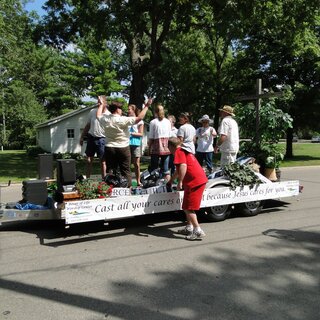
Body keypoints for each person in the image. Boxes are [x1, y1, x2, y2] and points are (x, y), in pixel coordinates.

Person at [97, 97, 151, 187]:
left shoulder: (106, 119)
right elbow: (140, 118)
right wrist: (147, 106)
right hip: (123, 148)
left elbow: (98, 115)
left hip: (109, 147)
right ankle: (127, 189)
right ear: (117, 110)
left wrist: (101, 104)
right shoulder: (123, 119)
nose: (122, 111)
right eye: (121, 109)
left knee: (110, 170)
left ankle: (111, 188)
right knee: (125, 170)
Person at [168, 137, 208, 240]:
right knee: (186, 205)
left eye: (169, 148)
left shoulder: (178, 152)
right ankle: (189, 227)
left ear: (171, 146)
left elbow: (183, 166)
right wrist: (171, 180)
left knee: (188, 208)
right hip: (196, 180)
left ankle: (198, 230)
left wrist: (180, 181)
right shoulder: (182, 150)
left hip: (194, 182)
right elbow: (178, 170)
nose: (169, 150)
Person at [79, 96, 109, 179]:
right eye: (98, 102)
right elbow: (88, 125)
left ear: (105, 103)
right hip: (91, 138)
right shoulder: (92, 111)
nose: (98, 104)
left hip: (102, 139)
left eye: (100, 102)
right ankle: (88, 179)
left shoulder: (108, 114)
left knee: (103, 162)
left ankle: (104, 180)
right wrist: (82, 137)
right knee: (88, 160)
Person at [148, 104, 171, 181]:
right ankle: (168, 184)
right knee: (165, 169)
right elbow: (169, 134)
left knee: (154, 168)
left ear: (155, 112)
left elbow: (151, 136)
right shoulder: (168, 121)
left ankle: (154, 183)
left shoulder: (153, 122)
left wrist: (149, 147)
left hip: (156, 145)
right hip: (166, 146)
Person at [128, 104, 144, 186]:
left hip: (136, 144)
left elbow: (141, 134)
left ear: (134, 110)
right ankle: (128, 181)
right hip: (126, 144)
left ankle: (138, 181)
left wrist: (131, 133)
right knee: (127, 163)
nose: (128, 111)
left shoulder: (140, 121)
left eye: (129, 109)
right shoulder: (126, 120)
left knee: (136, 164)